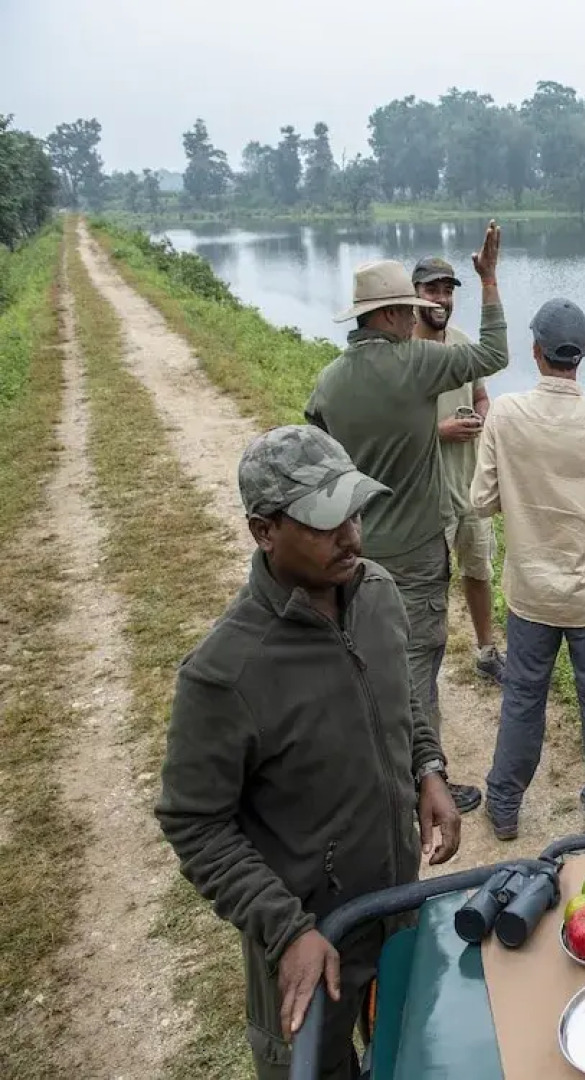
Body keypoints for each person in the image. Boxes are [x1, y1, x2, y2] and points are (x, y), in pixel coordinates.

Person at [154, 425, 462, 1080]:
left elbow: (402, 699)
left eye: (353, 510)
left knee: (408, 1050)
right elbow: (194, 824)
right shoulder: (224, 675)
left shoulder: (377, 593)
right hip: (306, 942)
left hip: (394, 905)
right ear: (264, 531)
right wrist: (285, 928)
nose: (352, 536)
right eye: (325, 523)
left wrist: (426, 767)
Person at [304, 222, 509, 813]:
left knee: (362, 652)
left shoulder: (329, 381)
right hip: (416, 549)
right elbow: (494, 354)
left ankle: (366, 763)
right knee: (419, 662)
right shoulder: (416, 363)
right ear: (394, 315)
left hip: (353, 546)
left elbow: (321, 450)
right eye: (413, 306)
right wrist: (489, 281)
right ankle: (426, 779)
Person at [471, 298, 585, 840]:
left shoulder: (504, 414)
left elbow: (481, 499)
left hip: (530, 591)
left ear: (535, 351)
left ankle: (503, 804)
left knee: (524, 695)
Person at [412, 255, 505, 685]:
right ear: (412, 294)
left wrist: (481, 417)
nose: (441, 299)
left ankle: (487, 650)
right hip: (427, 492)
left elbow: (482, 395)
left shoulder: (466, 343)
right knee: (430, 583)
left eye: (447, 291)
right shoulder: (402, 352)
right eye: (433, 290)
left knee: (478, 571)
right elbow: (392, 426)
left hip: (471, 486)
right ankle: (425, 661)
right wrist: (439, 431)